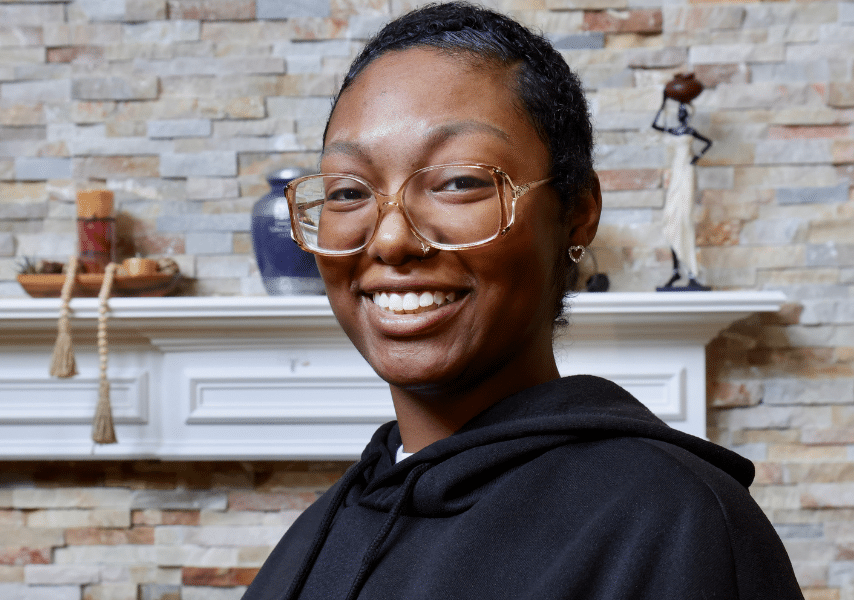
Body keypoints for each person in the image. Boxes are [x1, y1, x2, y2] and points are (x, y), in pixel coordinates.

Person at [242, 3, 803, 599]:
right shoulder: (317, 538)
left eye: (460, 181)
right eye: (348, 191)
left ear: (579, 213)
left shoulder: (677, 523)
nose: (390, 239)